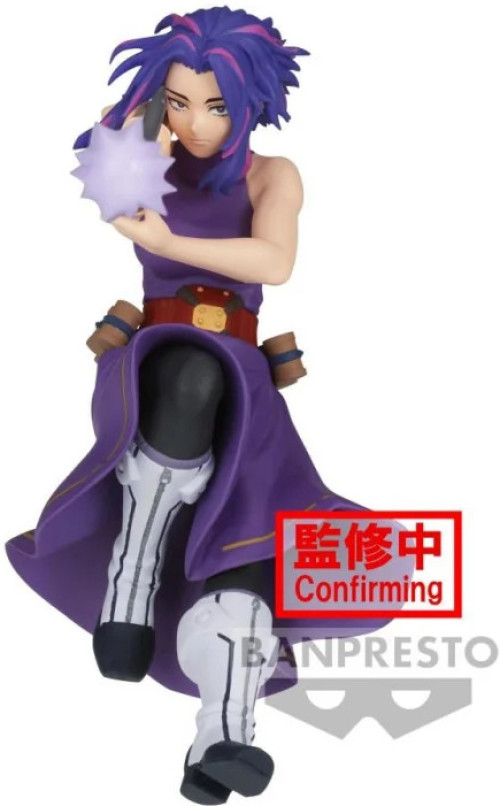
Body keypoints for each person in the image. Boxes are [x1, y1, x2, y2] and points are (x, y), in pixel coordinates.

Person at [5, 7, 413, 804]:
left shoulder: (273, 175)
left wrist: (168, 243)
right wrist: (140, 121)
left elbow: (274, 260)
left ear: (252, 103)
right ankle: (132, 576)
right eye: (180, 101)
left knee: (250, 563)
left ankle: (222, 740)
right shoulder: (145, 152)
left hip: (246, 377)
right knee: (189, 376)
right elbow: (105, 156)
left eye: (217, 105)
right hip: (157, 354)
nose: (196, 123)